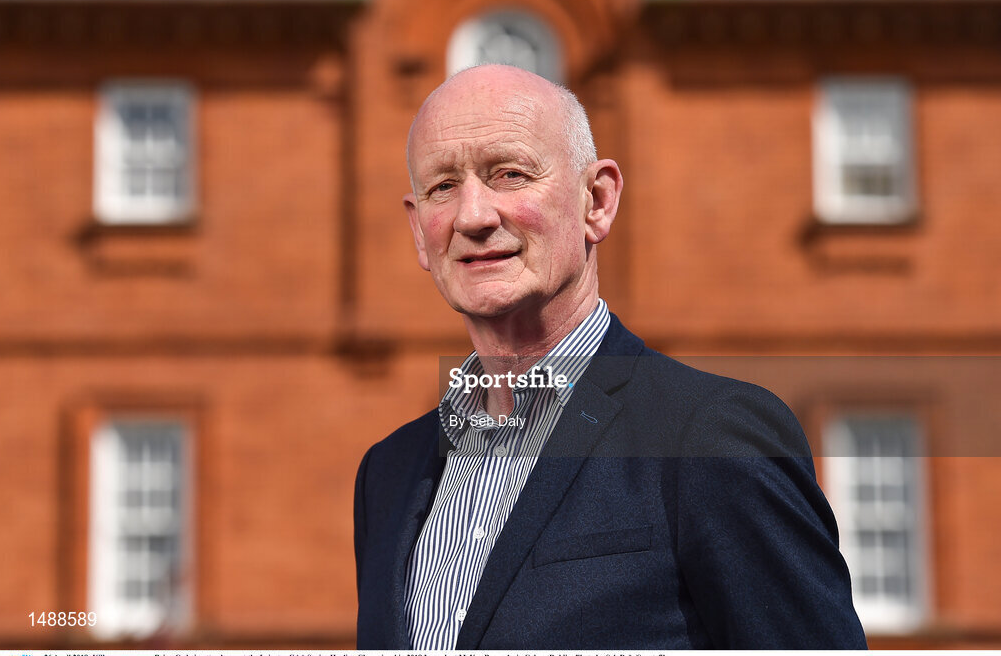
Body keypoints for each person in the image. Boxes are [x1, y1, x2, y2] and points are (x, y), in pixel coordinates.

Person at [353, 64, 867, 649]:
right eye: (442, 187)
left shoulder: (708, 437)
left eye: (510, 174)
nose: (473, 216)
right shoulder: (387, 474)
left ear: (597, 200)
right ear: (420, 231)